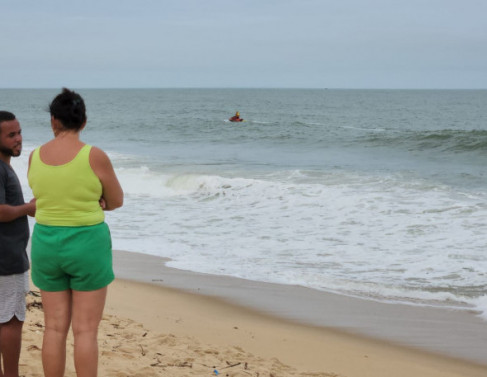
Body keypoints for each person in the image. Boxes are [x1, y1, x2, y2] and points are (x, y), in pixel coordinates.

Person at [28, 88, 123, 377]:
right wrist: (100, 200)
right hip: (86, 244)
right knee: (85, 332)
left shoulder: (35, 156)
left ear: (53, 121)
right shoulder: (94, 156)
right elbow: (116, 201)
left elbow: (44, 196)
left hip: (46, 243)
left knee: (54, 328)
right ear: (83, 122)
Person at [0, 111, 36, 377]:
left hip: (7, 254)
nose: (19, 139)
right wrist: (27, 208)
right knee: (12, 321)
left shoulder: (5, 165)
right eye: (11, 135)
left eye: (19, 132)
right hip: (7, 257)